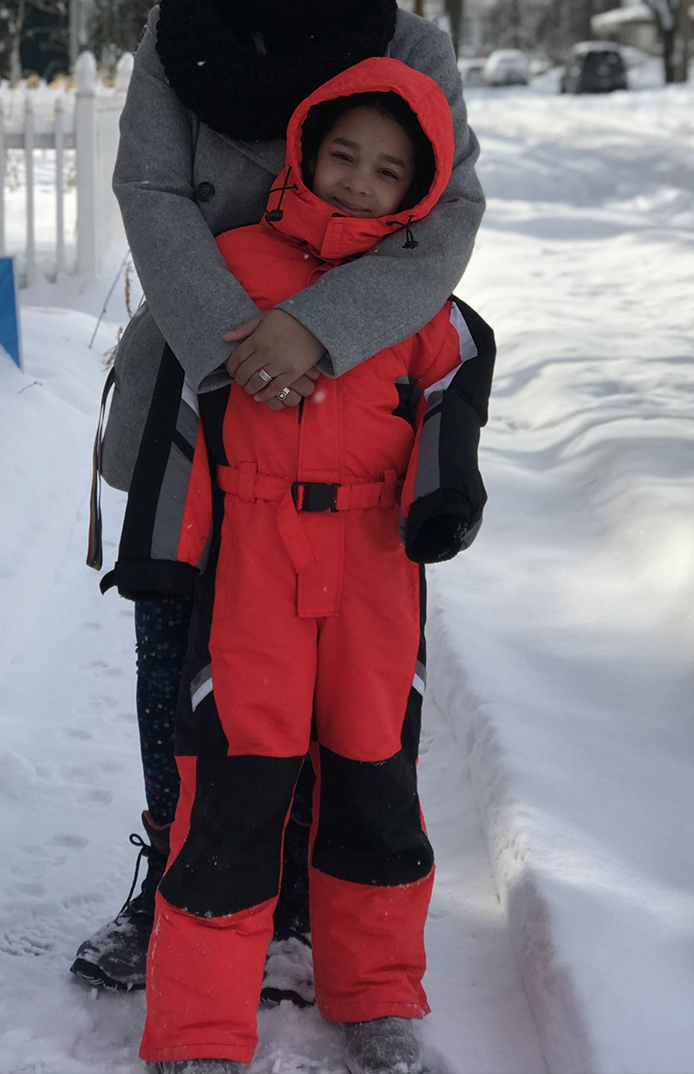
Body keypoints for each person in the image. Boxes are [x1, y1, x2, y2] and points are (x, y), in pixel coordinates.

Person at [72, 0, 488, 1012]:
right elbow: (148, 186)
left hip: (355, 401)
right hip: (201, 393)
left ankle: (303, 892)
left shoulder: (410, 44)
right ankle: (177, 876)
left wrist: (321, 330)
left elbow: (446, 213)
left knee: (332, 664)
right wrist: (234, 346)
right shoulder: (180, 31)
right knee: (178, 647)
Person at [136, 59, 491, 1074]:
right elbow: (182, 416)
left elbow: (449, 402)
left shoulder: (415, 297)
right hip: (253, 561)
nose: (358, 181)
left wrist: (441, 501)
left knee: (377, 775)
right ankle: (200, 1027)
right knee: (236, 781)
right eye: (343, 154)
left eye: (387, 170)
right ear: (305, 150)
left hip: (377, 567)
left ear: (415, 190)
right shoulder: (230, 267)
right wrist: (165, 554)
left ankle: (377, 995)